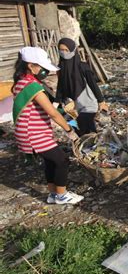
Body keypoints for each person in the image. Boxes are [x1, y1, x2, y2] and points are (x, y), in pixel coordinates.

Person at [12, 47, 83, 204]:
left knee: (51, 161)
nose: (45, 71)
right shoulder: (32, 86)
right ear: (31, 65)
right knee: (62, 161)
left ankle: (52, 194)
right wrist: (70, 130)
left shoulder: (23, 81)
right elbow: (53, 113)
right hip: (33, 133)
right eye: (42, 67)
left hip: (33, 131)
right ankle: (62, 195)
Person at [56, 37, 108, 137]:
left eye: (66, 50)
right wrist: (56, 102)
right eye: (61, 50)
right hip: (74, 105)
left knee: (84, 126)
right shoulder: (61, 67)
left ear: (72, 50)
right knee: (82, 128)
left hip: (88, 103)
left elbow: (93, 84)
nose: (63, 52)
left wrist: (101, 101)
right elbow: (60, 86)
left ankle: (90, 146)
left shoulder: (82, 66)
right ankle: (89, 147)